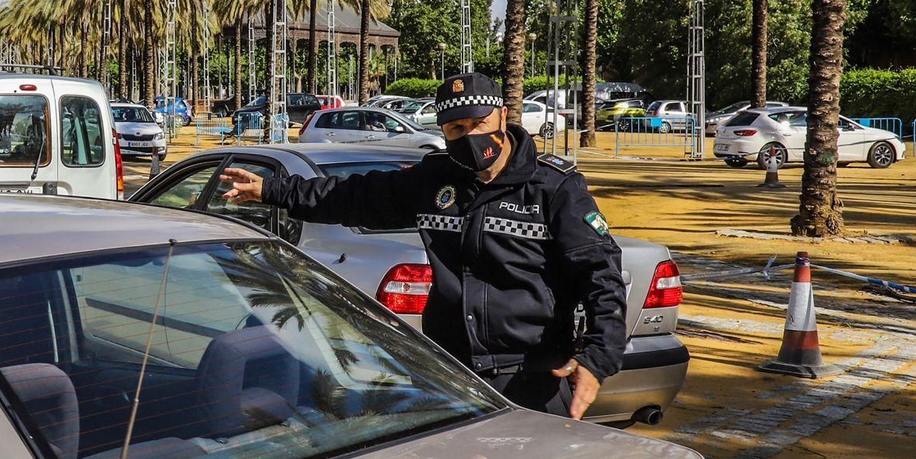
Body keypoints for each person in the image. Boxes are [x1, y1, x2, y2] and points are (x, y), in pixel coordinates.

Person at [221, 72, 627, 419]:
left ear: (503, 116)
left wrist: (597, 358)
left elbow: (601, 274)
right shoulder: (434, 181)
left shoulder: (554, 188)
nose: (469, 136)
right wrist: (273, 189)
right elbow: (353, 196)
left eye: (477, 123)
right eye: (455, 129)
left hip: (533, 379)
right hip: (452, 377)